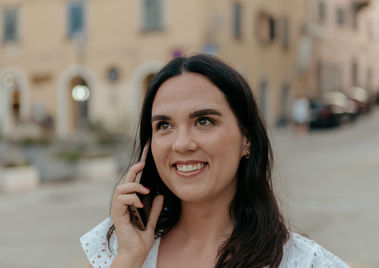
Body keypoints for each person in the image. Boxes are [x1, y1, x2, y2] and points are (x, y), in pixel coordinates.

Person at [80, 54, 349, 268]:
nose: (182, 143)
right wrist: (129, 258)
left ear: (247, 138)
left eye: (204, 121)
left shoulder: (304, 262)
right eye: (164, 125)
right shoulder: (119, 249)